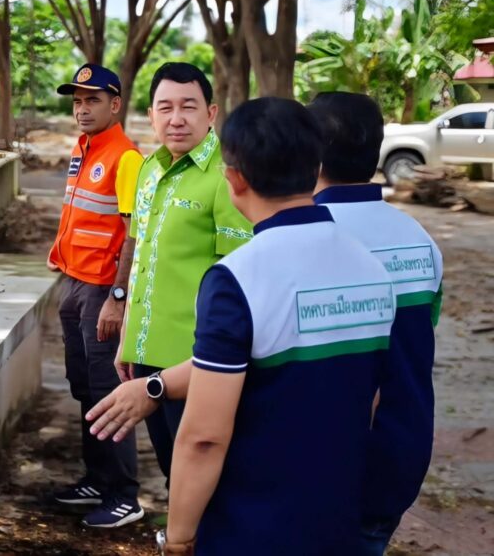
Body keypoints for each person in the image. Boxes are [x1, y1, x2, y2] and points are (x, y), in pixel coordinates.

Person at [88, 97, 397, 555]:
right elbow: (369, 398)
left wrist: (178, 540)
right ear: (316, 170)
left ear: (233, 179)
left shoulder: (238, 278)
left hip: (251, 525)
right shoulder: (370, 268)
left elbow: (204, 437)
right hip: (337, 515)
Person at [308, 92, 444, 555]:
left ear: (310, 151)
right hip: (402, 458)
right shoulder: (421, 241)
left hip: (320, 471)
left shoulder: (301, 241)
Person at [113, 62, 251, 485]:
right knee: (175, 473)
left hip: (198, 364)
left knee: (202, 478)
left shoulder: (226, 177)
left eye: (188, 107)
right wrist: (127, 340)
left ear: (210, 113)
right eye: (165, 107)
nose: (176, 119)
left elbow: (241, 279)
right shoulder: (149, 171)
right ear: (151, 115)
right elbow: (141, 261)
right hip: (146, 357)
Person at [47, 63, 145, 528]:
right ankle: (97, 479)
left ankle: (125, 494)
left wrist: (118, 298)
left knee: (108, 390)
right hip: (75, 281)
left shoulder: (125, 157)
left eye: (93, 100)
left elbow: (133, 234)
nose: (83, 109)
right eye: (78, 100)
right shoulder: (83, 149)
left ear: (115, 104)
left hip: (104, 289)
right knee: (84, 385)